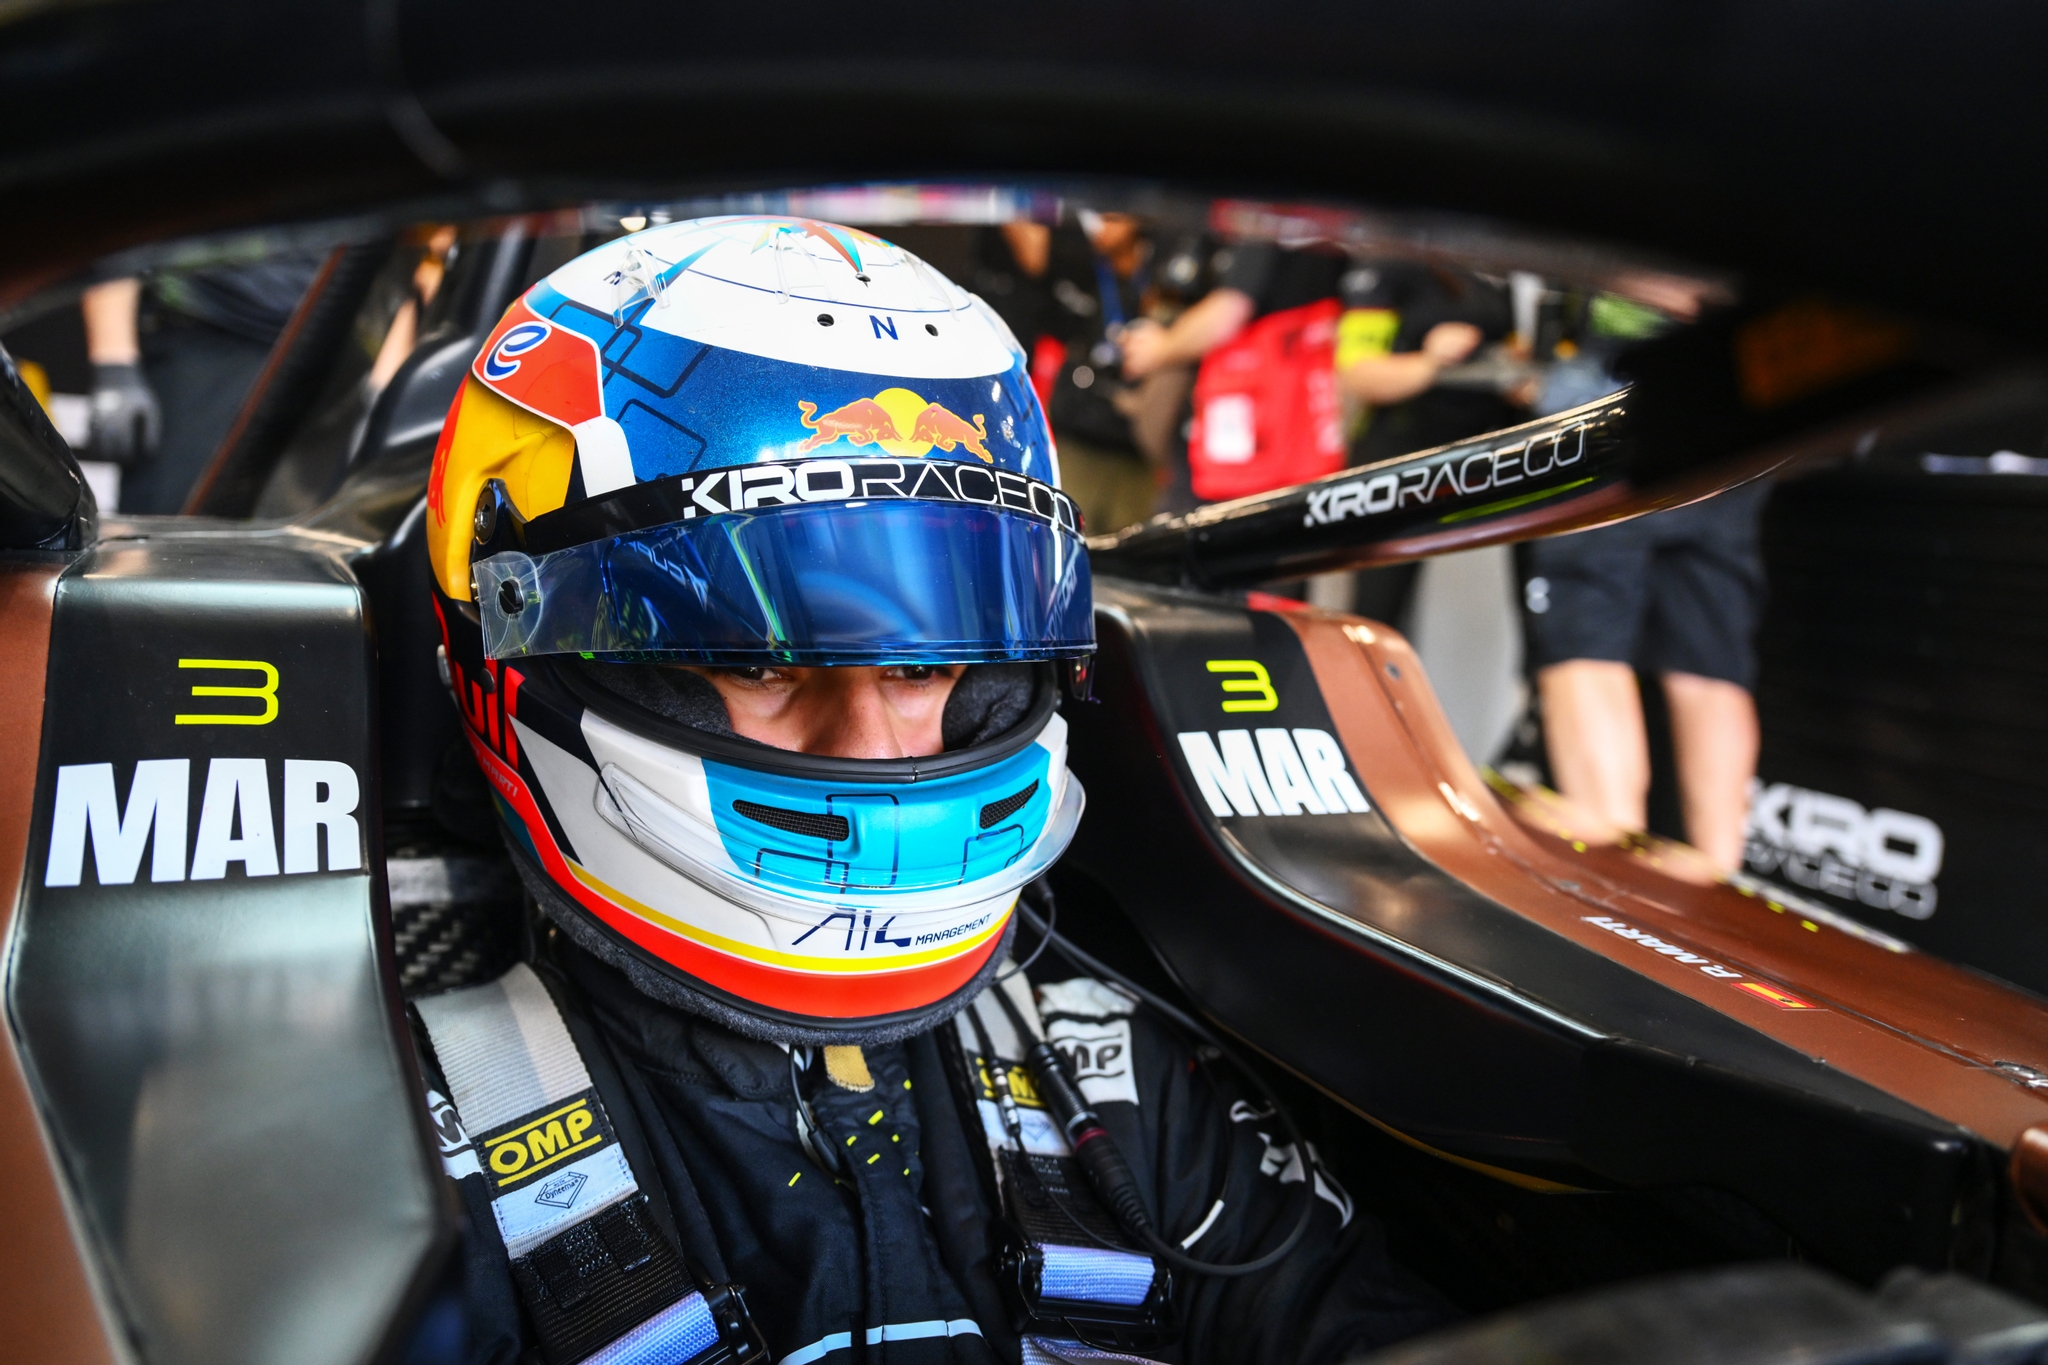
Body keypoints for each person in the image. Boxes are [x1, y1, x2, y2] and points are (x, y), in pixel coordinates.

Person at [416, 216, 1450, 1365]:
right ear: (513, 643)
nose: (876, 751)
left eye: (923, 666)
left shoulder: (1110, 1066)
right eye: (757, 664)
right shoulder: (406, 1160)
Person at [1518, 280, 1766, 871]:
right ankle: (1717, 878)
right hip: (1741, 402)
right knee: (1708, 660)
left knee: (1587, 646)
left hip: (1623, 397)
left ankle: (1617, 877)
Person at [81, 242, 326, 513]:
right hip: (204, 335)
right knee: (173, 516)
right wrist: (115, 369)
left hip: (323, 337)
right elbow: (119, 238)